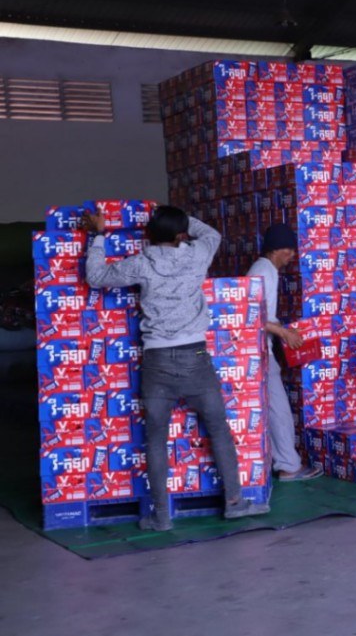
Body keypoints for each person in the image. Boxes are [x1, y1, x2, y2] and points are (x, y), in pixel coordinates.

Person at [83, 205, 269, 531]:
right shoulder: (197, 255)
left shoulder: (141, 263)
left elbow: (95, 277)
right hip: (195, 358)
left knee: (156, 439)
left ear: (149, 234)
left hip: (157, 362)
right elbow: (211, 234)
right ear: (182, 234)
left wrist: (98, 235)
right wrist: (176, 219)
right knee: (219, 430)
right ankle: (235, 503)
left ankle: (161, 517)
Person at [247, 224, 322, 481]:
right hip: (259, 353)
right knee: (278, 410)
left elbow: (265, 314)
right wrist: (283, 333)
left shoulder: (267, 270)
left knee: (274, 409)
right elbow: (250, 315)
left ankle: (283, 462)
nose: (291, 255)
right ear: (276, 249)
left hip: (262, 350)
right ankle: (289, 466)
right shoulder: (263, 271)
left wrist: (286, 331)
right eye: (288, 250)